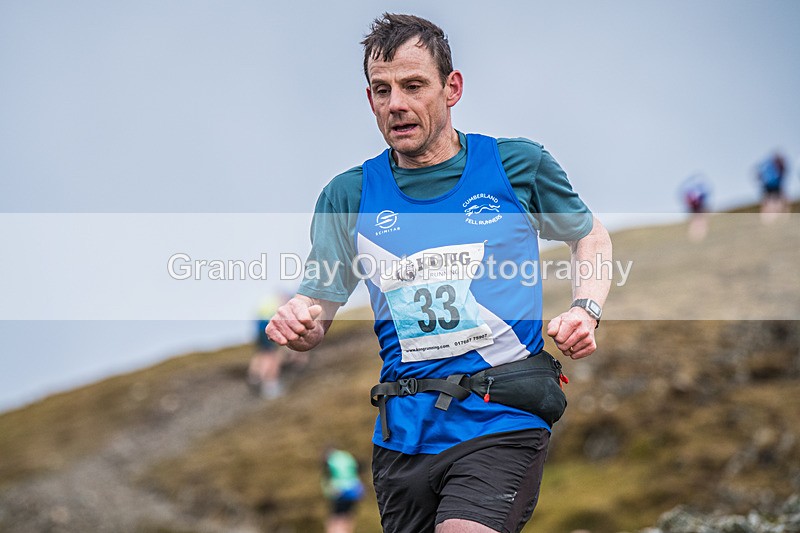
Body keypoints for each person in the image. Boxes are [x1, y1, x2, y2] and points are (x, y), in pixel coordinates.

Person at [266, 13, 612, 533]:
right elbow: (317, 316)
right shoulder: (349, 196)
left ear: (452, 88)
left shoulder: (516, 166)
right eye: (382, 90)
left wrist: (586, 310)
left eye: (413, 86)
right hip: (403, 436)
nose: (396, 104)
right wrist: (298, 323)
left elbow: (589, 236)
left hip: (501, 415)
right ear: (369, 99)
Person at [322, 448, 365, 533]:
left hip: (339, 491)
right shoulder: (347, 456)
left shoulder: (331, 460)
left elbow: (327, 477)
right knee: (348, 516)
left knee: (336, 518)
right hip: (353, 490)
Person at [756, 151, 788, 223]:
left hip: (767, 185)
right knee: (778, 201)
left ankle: (766, 219)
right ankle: (780, 217)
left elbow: (758, 175)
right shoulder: (777, 163)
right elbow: (783, 172)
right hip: (776, 185)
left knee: (767, 202)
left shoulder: (766, 164)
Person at [680, 173, 711, 241]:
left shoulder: (691, 190)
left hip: (696, 207)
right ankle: (698, 232)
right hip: (697, 207)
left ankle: (697, 232)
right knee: (699, 218)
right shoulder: (699, 190)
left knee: (697, 218)